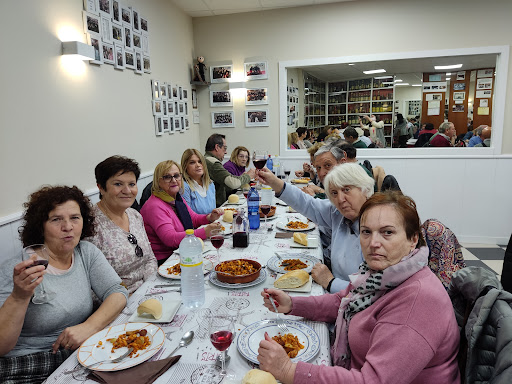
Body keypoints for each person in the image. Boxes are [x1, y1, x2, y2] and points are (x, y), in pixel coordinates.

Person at [258, 192, 460, 384]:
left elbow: (373, 381)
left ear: (412, 239)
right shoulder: (383, 275)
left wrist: (288, 371)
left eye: (387, 232)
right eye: (366, 232)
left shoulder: (418, 300)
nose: (373, 243)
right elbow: (342, 301)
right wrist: (293, 304)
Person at [0, 186, 128, 383]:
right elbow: (1, 346)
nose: (68, 227)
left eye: (75, 218)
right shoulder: (19, 270)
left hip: (78, 353)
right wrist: (19, 297)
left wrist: (89, 327)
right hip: (30, 366)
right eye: (56, 219)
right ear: (40, 226)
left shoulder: (85, 252)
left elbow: (117, 291)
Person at [256, 162, 374, 292]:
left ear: (366, 189)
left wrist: (331, 282)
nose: (340, 199)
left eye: (346, 189)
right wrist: (275, 182)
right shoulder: (338, 213)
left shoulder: (379, 229)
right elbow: (307, 204)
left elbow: (375, 292)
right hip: (336, 295)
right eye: (334, 193)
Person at [88, 156, 157, 294]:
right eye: (118, 184)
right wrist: (127, 297)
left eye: (132, 184)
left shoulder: (135, 215)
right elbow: (89, 286)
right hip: (116, 303)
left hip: (148, 291)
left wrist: (150, 287)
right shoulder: (90, 226)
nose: (127, 191)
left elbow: (150, 258)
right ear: (101, 187)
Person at [140, 160, 223, 264]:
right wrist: (204, 232)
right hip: (166, 260)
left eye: (176, 176)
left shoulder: (175, 198)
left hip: (181, 251)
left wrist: (209, 217)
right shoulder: (154, 206)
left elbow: (193, 218)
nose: (174, 180)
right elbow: (170, 239)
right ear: (158, 181)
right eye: (167, 177)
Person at [203, 134, 255, 206]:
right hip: (216, 207)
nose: (226, 152)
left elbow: (226, 186)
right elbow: (232, 183)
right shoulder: (213, 163)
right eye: (225, 148)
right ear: (217, 147)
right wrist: (248, 176)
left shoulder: (207, 159)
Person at [181, 149, 216, 214]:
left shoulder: (210, 184)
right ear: (185, 166)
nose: (198, 165)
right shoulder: (184, 187)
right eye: (192, 162)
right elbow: (187, 216)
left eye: (200, 161)